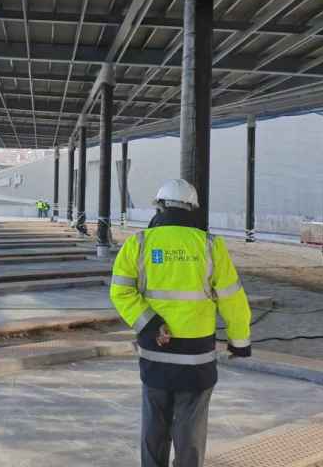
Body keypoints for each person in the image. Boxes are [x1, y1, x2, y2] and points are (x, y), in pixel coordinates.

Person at [109, 179, 252, 467]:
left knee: (154, 422)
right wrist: (239, 342)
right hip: (196, 357)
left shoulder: (139, 243)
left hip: (155, 351)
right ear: (193, 208)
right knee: (191, 428)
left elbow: (120, 291)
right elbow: (233, 300)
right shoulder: (210, 246)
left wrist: (150, 323)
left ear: (159, 206)